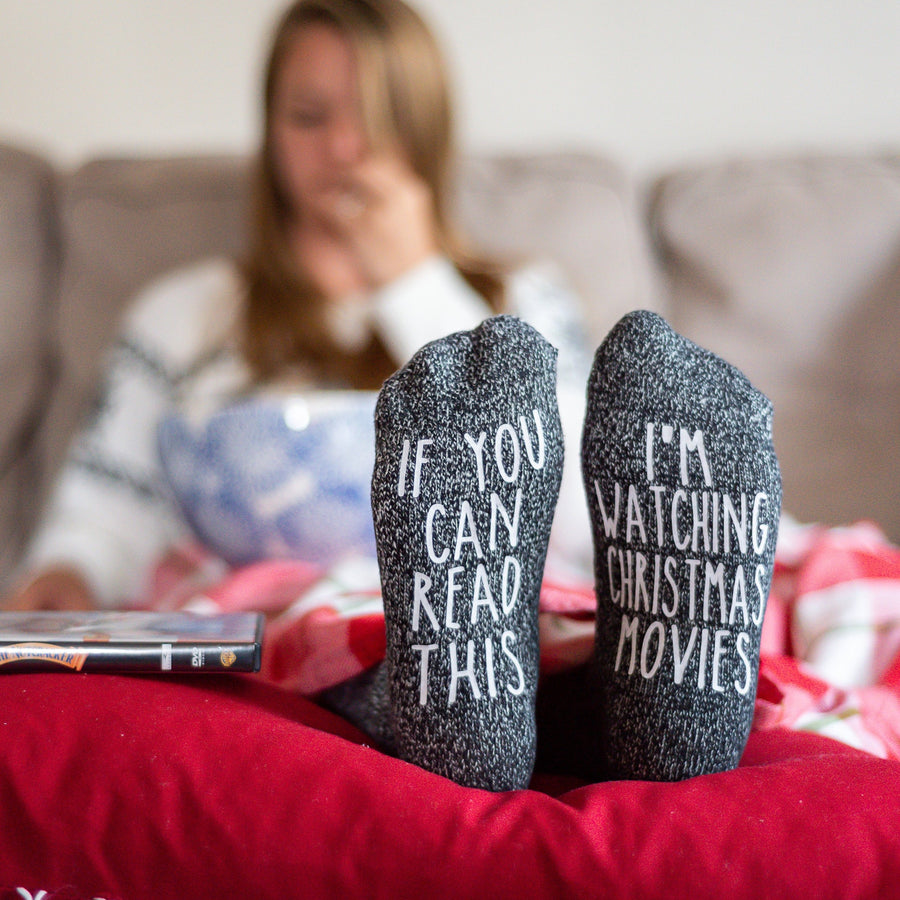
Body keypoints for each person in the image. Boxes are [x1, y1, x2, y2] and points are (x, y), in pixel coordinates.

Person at [5, 0, 591, 613]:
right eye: (308, 117)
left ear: (428, 127)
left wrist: (414, 284)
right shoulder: (182, 314)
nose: (343, 147)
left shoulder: (523, 302)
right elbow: (103, 515)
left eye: (378, 117)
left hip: (468, 614)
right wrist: (69, 574)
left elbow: (573, 520)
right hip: (252, 636)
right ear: (270, 132)